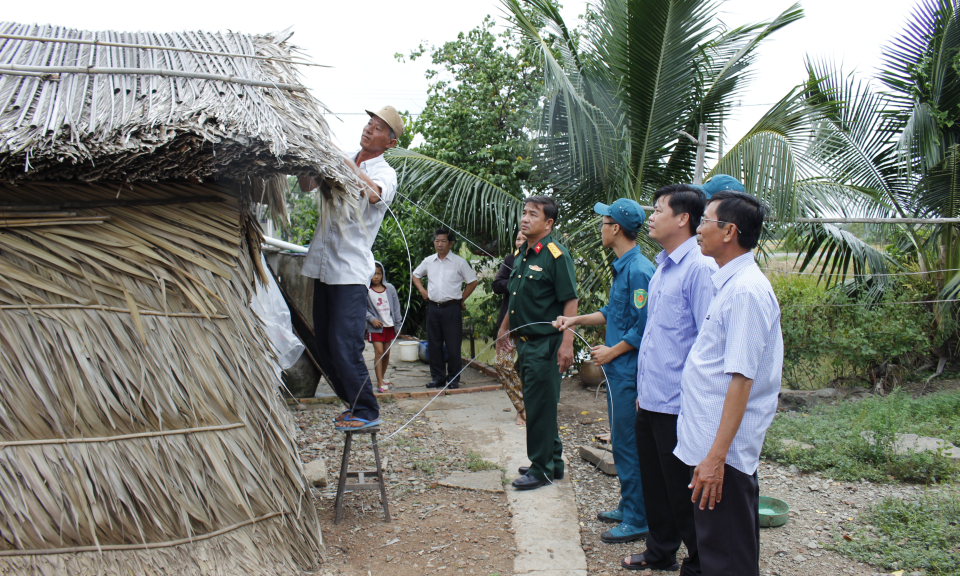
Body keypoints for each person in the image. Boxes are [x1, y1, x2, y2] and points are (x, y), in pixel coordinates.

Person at [674, 189, 783, 576]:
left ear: (729, 231)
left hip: (724, 454)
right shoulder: (728, 283)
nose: (698, 229)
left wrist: (716, 459)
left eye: (704, 221)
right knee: (712, 544)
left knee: (728, 556)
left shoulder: (746, 292)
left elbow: (742, 380)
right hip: (709, 444)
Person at [621, 183, 720, 573]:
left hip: (680, 404)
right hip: (652, 398)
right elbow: (658, 335)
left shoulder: (699, 268)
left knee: (683, 491)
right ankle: (660, 550)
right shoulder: (663, 265)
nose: (651, 216)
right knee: (657, 486)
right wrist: (644, 391)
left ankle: (699, 562)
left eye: (659, 209)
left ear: (682, 218)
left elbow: (707, 342)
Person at [554, 199, 654, 543]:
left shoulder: (640, 270)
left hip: (628, 372)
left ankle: (638, 518)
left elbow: (644, 326)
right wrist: (574, 319)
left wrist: (612, 350)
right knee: (622, 442)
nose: (600, 228)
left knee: (628, 444)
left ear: (616, 229)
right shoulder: (624, 267)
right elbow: (613, 311)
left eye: (603, 222)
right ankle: (629, 506)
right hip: (617, 371)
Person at [300, 106, 403, 430]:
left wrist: (342, 161)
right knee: (326, 345)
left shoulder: (386, 172)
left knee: (345, 343)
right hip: (322, 265)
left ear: (390, 141)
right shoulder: (343, 155)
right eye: (368, 124)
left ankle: (368, 410)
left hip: (350, 271)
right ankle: (353, 404)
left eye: (378, 128)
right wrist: (309, 157)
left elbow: (373, 194)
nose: (369, 129)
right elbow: (306, 186)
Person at [497, 196, 578, 491]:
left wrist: (567, 343)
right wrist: (505, 329)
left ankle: (540, 468)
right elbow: (515, 297)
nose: (525, 218)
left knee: (539, 407)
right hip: (526, 343)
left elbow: (570, 299)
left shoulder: (555, 255)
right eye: (524, 213)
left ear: (549, 223)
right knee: (538, 404)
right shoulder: (524, 254)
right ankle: (552, 462)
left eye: (533, 214)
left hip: (547, 344)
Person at [412, 227, 479, 390]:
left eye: (443, 241)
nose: (439, 244)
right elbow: (416, 275)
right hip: (433, 308)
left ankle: (454, 379)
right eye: (437, 241)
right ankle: (438, 378)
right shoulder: (428, 261)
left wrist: (461, 299)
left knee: (453, 344)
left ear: (451, 243)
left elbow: (472, 281)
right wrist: (422, 291)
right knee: (434, 344)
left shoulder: (459, 262)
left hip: (452, 309)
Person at [492, 231, 527, 425]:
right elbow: (496, 285)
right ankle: (522, 406)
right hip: (509, 323)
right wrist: (517, 282)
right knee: (502, 364)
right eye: (518, 238)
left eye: (524, 239)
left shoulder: (542, 260)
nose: (520, 242)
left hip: (531, 325)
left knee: (529, 367)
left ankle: (524, 410)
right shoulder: (509, 260)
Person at [366, 261, 402, 393]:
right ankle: (379, 382)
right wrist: (372, 319)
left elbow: (396, 307)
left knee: (386, 353)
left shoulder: (390, 288)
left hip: (389, 326)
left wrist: (398, 324)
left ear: (383, 274)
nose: (376, 277)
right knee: (379, 352)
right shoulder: (366, 290)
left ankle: (382, 377)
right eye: (373, 274)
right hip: (376, 327)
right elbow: (362, 308)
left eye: (379, 274)